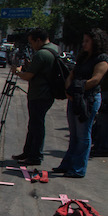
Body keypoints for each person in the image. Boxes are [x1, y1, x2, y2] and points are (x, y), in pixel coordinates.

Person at [53, 29, 108, 177]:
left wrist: (78, 89)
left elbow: (96, 79)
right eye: (83, 41)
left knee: (83, 134)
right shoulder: (83, 57)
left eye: (87, 41)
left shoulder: (102, 59)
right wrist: (69, 88)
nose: (84, 44)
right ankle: (67, 164)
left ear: (96, 42)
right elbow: (72, 74)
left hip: (88, 99)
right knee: (74, 134)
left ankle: (78, 168)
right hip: (75, 98)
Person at [11, 29, 60, 166]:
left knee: (37, 125)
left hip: (40, 94)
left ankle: (35, 155)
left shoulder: (42, 54)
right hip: (46, 94)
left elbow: (28, 76)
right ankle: (29, 152)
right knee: (34, 124)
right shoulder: (55, 49)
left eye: (32, 42)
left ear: (38, 40)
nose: (31, 46)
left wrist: (18, 72)